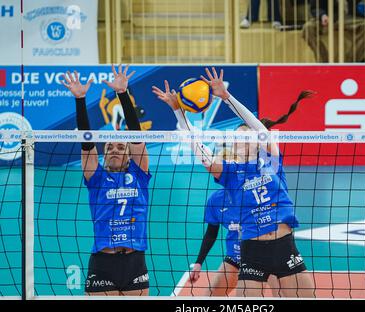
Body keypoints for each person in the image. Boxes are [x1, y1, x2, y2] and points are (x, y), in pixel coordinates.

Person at [152, 68, 315, 298]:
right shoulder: (230, 172)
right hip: (252, 251)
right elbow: (199, 150)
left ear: (256, 142)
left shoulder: (271, 159)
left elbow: (257, 126)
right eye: (237, 137)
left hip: (284, 247)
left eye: (246, 136)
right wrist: (179, 112)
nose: (241, 140)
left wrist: (227, 97)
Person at [61, 65, 151, 296]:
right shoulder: (97, 177)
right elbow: (87, 144)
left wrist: (122, 93)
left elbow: (136, 136)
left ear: (130, 154)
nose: (113, 150)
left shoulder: (139, 175)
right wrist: (80, 99)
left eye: (121, 147)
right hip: (103, 262)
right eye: (109, 147)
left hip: (135, 262)